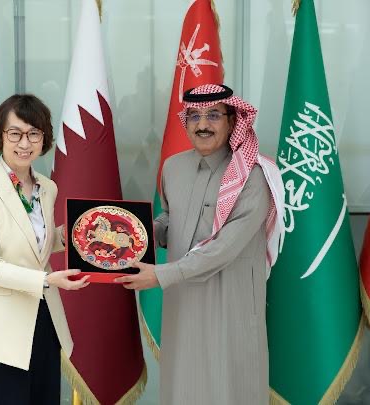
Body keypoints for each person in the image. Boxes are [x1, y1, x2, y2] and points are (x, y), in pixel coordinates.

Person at [115, 84, 284, 404]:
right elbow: (170, 220)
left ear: (233, 121)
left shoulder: (254, 175)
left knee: (229, 387)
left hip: (230, 302)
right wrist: (129, 235)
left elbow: (226, 246)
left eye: (213, 115)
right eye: (194, 116)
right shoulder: (173, 167)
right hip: (182, 301)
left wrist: (160, 275)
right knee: (183, 385)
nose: (202, 125)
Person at [0, 94, 90, 404]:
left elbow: (36, 244)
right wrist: (46, 280)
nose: (24, 143)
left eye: (34, 133)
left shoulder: (47, 187)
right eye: (15, 133)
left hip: (44, 318)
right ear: (0, 136)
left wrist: (76, 234)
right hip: (2, 329)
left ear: (43, 139)